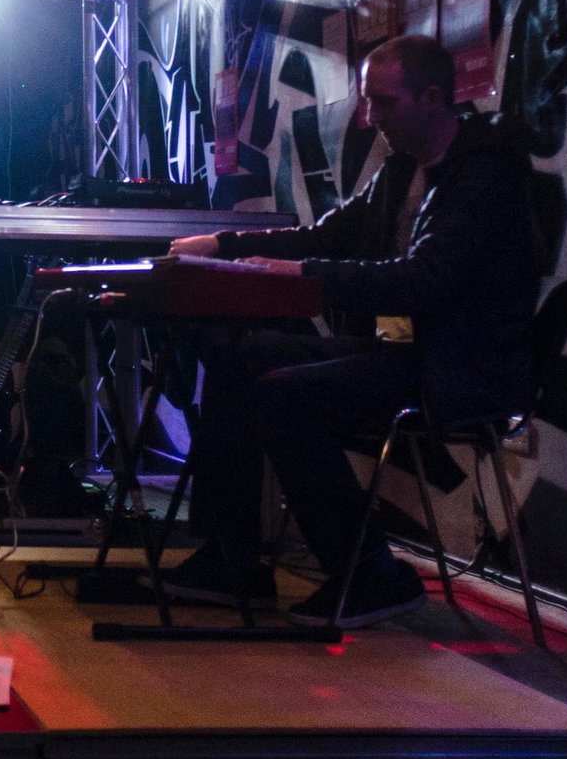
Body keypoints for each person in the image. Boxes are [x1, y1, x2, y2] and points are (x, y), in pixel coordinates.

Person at [161, 33, 539, 627]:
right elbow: (327, 236)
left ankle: (372, 575)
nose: (370, 117)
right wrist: (225, 245)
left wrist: (303, 272)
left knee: (283, 396)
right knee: (238, 353)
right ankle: (232, 560)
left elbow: (424, 282)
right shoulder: (403, 172)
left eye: (384, 103)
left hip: (459, 370)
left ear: (433, 98)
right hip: (407, 354)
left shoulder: (482, 178)